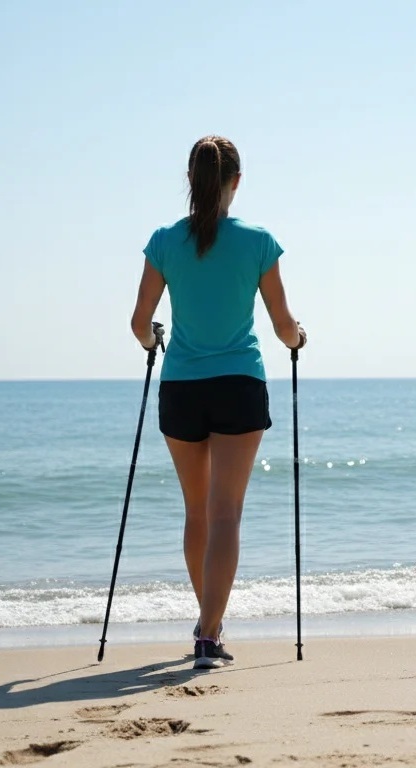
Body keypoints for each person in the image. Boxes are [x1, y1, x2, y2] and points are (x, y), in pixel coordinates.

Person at [130, 135, 306, 669]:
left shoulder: (164, 242)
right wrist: (299, 339)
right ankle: (208, 633)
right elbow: (282, 327)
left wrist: (152, 341)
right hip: (238, 384)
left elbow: (140, 325)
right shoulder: (257, 242)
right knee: (226, 512)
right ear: (236, 181)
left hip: (182, 387)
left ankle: (209, 621)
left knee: (197, 512)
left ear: (191, 180)